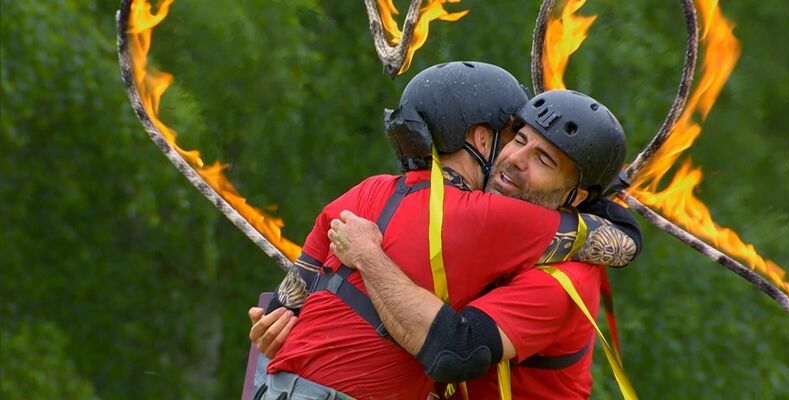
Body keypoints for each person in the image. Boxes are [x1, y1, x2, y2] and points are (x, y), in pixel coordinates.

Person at [249, 62, 639, 399]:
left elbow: (454, 350)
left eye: (543, 159)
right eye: (517, 139)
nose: (515, 159)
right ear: (481, 139)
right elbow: (622, 243)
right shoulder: (490, 219)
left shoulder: (367, 191)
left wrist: (363, 261)